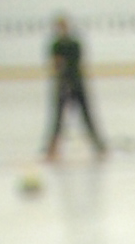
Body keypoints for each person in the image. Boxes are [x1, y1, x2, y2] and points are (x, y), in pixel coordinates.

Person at [42, 11, 105, 160]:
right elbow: (56, 65)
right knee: (58, 119)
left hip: (75, 82)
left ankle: (99, 146)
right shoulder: (57, 45)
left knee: (87, 116)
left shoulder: (73, 44)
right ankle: (52, 149)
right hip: (64, 83)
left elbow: (72, 64)